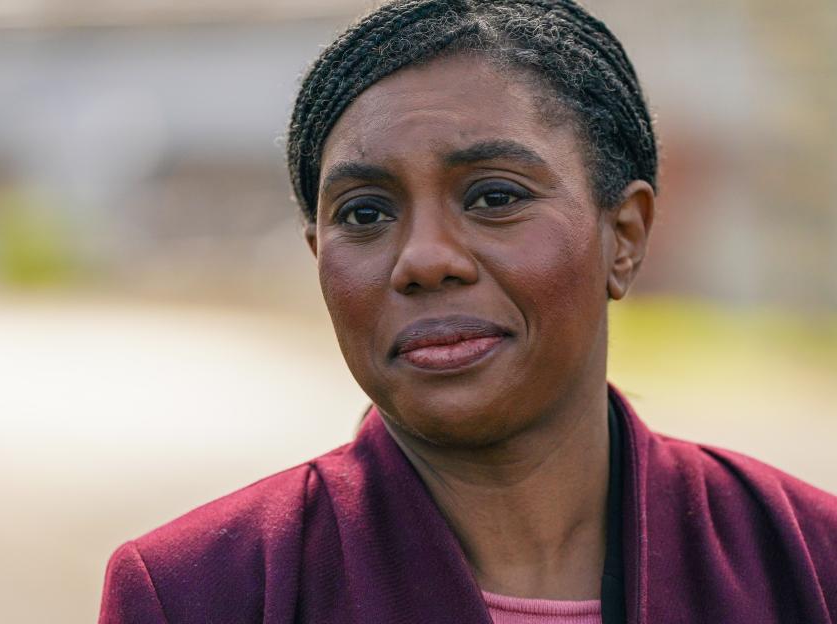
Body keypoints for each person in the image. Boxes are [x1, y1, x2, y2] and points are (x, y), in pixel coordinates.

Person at [98, 1, 837, 622]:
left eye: (495, 197)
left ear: (626, 235)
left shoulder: (810, 562)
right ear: (316, 253)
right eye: (363, 212)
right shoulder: (201, 592)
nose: (424, 259)